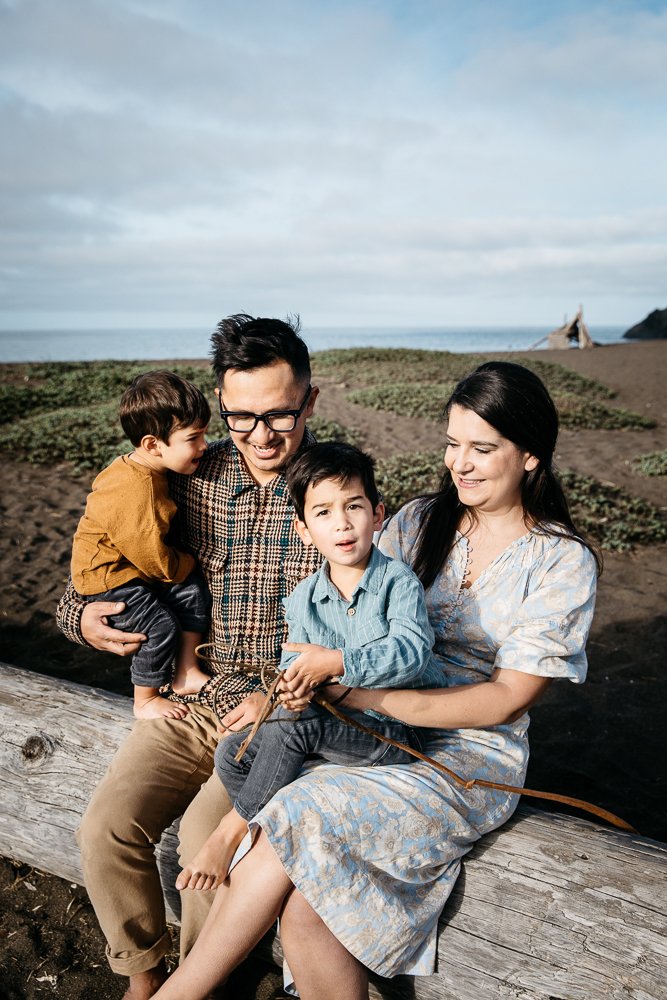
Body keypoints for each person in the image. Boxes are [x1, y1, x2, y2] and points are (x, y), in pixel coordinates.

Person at [151, 360, 600, 1000]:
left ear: (530, 456)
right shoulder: (417, 522)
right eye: (451, 444)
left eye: (482, 448)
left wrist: (354, 695)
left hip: (469, 753)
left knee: (292, 808)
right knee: (310, 912)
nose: (460, 464)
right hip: (365, 724)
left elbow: (507, 699)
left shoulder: (561, 559)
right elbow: (339, 619)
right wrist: (286, 691)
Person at [55, 314, 322, 1000]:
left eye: (280, 415)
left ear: (311, 402)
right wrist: (80, 618)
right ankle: (142, 974)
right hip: (193, 696)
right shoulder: (188, 474)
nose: (260, 435)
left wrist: (290, 692)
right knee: (107, 828)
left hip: (277, 710)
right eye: (239, 417)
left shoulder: (333, 492)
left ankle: (201, 984)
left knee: (209, 834)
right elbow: (95, 559)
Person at [178, 441, 447, 890]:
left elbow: (412, 650)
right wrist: (292, 688)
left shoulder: (398, 582)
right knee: (232, 750)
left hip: (397, 731)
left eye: (354, 507)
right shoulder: (302, 600)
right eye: (323, 512)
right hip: (336, 729)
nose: (341, 523)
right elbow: (291, 670)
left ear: (378, 516)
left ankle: (232, 831)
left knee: (295, 727)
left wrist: (337, 663)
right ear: (303, 530)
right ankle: (271, 820)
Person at [70, 370, 212, 719]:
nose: (204, 446)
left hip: (128, 570)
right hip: (109, 578)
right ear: (153, 444)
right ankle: (145, 698)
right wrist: (186, 563)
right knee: (159, 624)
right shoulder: (141, 491)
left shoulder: (144, 468)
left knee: (191, 592)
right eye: (194, 438)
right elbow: (155, 561)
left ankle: (185, 672)